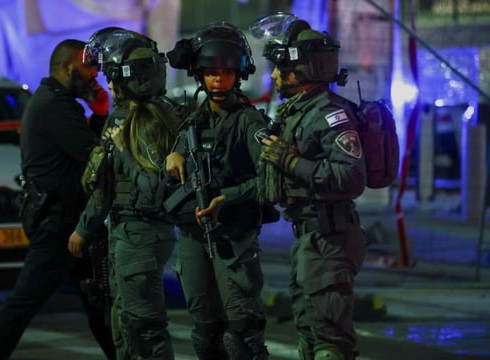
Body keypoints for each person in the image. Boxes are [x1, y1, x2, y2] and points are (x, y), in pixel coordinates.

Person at [0, 39, 115, 360]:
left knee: (101, 302)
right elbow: (94, 155)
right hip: (59, 225)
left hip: (69, 220)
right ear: (67, 67)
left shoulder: (53, 101)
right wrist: (107, 122)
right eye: (88, 67)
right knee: (24, 302)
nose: (95, 76)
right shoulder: (56, 106)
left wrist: (99, 112)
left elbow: (80, 151)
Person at [250, 13, 368, 360]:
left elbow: (352, 178)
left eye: (279, 66)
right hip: (310, 238)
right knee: (311, 332)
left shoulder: (331, 114)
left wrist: (291, 162)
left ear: (301, 68)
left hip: (330, 238)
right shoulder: (299, 111)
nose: (273, 75)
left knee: (330, 340)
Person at [68, 27, 179, 360]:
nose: (109, 85)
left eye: (114, 78)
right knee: (122, 324)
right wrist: (84, 228)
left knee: (144, 325)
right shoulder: (120, 117)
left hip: (142, 233)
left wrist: (124, 150)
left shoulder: (149, 122)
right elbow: (106, 183)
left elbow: (154, 190)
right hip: (121, 232)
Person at [164, 22, 270, 359]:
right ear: (200, 75)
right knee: (205, 332)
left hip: (234, 239)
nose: (218, 80)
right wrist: (174, 154)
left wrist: (230, 197)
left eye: (226, 73)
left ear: (237, 74)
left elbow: (271, 181)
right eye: (211, 73)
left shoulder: (248, 122)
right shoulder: (194, 123)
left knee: (241, 336)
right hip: (195, 237)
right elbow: (176, 163)